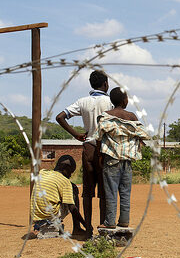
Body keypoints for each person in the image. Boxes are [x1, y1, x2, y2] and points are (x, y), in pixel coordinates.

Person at [56, 71, 112, 230]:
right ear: (106, 84)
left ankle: (88, 228)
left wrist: (76, 134)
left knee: (87, 192)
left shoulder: (82, 101)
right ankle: (103, 227)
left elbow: (60, 117)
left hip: (88, 148)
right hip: (104, 149)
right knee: (104, 193)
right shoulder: (110, 102)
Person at [95, 87, 150, 229]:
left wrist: (99, 155)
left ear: (112, 100)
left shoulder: (105, 116)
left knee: (111, 193)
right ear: (125, 101)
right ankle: (124, 220)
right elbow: (143, 135)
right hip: (127, 161)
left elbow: (98, 138)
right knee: (125, 193)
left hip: (111, 159)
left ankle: (110, 222)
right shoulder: (132, 117)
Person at [29, 155, 91, 238]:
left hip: (36, 214)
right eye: (71, 172)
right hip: (49, 214)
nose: (70, 175)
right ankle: (77, 228)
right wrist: (86, 225)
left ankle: (40, 224)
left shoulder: (42, 172)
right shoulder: (65, 181)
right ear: (66, 168)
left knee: (58, 195)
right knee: (73, 190)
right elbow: (72, 208)